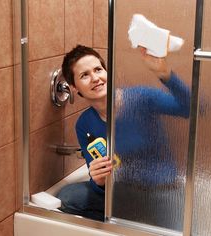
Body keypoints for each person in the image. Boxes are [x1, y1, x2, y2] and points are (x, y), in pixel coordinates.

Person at [56, 45, 190, 225]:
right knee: (68, 196)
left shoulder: (141, 98)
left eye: (98, 69)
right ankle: (125, 221)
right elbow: (99, 180)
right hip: (121, 192)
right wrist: (98, 180)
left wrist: (166, 74)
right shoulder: (84, 123)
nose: (95, 78)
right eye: (84, 75)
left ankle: (132, 221)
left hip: (162, 191)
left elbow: (191, 108)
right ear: (74, 87)